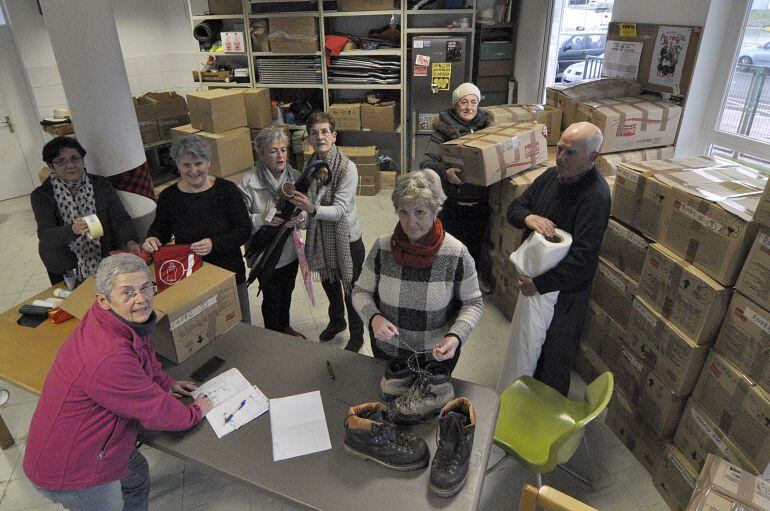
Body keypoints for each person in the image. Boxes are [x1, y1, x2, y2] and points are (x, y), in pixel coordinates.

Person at [24, 254, 213, 511]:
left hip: (91, 445)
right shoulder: (107, 355)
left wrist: (167, 383)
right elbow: (155, 412)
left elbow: (143, 358)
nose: (142, 299)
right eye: (128, 292)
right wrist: (196, 411)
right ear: (103, 300)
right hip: (73, 471)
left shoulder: (119, 320)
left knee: (136, 475)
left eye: (146, 287)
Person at [506, 122, 610, 396]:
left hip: (565, 292)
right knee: (528, 344)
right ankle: (523, 396)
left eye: (570, 153)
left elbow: (584, 259)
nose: (561, 157)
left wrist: (539, 284)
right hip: (535, 282)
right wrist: (529, 217)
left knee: (554, 354)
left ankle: (545, 414)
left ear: (592, 157)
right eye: (560, 149)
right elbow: (515, 209)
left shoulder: (595, 197)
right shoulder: (551, 177)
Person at [352, 169, 483, 372]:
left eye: (419, 212)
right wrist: (374, 318)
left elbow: (473, 303)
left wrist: (456, 336)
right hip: (388, 353)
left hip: (437, 356)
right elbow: (361, 291)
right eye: (403, 212)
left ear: (435, 209)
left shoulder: (456, 253)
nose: (410, 222)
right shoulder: (383, 247)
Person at [143, 135, 252, 323]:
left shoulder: (227, 190)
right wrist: (152, 237)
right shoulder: (169, 197)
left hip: (228, 272)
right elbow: (160, 229)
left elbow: (244, 230)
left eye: (198, 163)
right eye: (186, 165)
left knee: (238, 324)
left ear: (209, 163)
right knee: (202, 327)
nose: (193, 170)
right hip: (190, 276)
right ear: (178, 166)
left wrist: (214, 243)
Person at [289, 112, 365, 352]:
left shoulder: (347, 168)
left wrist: (311, 210)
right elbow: (306, 202)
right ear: (309, 139)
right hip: (321, 238)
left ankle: (357, 334)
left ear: (333, 136)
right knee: (330, 285)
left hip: (348, 240)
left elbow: (340, 210)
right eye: (314, 132)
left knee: (351, 290)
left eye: (324, 132)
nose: (319, 136)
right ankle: (337, 321)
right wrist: (300, 217)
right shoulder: (311, 166)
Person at [31, 136, 141, 285]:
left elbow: (120, 218)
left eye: (75, 158)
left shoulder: (100, 184)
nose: (70, 165)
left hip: (103, 256)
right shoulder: (42, 195)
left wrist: (131, 241)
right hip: (64, 263)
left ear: (82, 160)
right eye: (61, 161)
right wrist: (73, 230)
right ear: (51, 165)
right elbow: (45, 234)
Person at [420, 82, 492, 292]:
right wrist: (446, 172)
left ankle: (473, 280)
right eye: (464, 102)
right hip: (452, 200)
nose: (469, 107)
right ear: (455, 104)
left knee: (476, 243)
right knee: (449, 244)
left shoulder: (489, 127)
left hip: (480, 200)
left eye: (473, 102)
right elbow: (426, 163)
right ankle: (446, 284)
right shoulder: (443, 129)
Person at [238, 127, 306, 338]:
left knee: (287, 292)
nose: (281, 155)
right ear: (260, 154)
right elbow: (240, 224)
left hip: (290, 250)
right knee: (271, 297)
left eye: (284, 150)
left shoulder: (295, 177)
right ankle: (274, 337)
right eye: (274, 151)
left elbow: (307, 209)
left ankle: (285, 327)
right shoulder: (248, 183)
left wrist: (301, 217)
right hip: (264, 254)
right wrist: (261, 218)